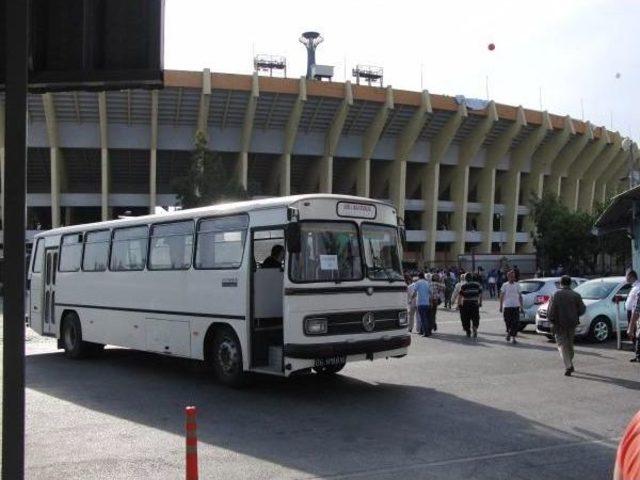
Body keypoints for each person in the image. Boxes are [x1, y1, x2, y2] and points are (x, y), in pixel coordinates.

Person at [546, 275, 586, 376]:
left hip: (559, 323)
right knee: (570, 344)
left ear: (560, 283)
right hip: (572, 323)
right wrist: (574, 314)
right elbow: (582, 309)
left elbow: (550, 310)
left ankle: (568, 366)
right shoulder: (576, 295)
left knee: (562, 345)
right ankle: (570, 363)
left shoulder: (555, 294)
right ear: (570, 283)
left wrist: (551, 320)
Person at [500, 270, 523, 344]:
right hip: (507, 306)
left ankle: (513, 337)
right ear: (508, 277)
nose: (512, 278)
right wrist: (500, 306)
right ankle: (509, 333)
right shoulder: (504, 285)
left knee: (515, 322)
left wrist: (521, 306)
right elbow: (501, 295)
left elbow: (520, 296)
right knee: (508, 322)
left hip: (516, 306)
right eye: (511, 276)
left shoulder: (517, 285)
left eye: (513, 276)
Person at [458, 273, 483, 338]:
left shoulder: (464, 286)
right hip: (475, 303)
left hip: (466, 303)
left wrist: (459, 304)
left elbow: (460, 296)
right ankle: (474, 327)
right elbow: (480, 294)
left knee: (466, 318)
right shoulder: (477, 285)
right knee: (475, 317)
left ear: (465, 279)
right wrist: (480, 302)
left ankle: (468, 331)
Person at [624, 270, 640, 362]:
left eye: (626, 276)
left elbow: (636, 304)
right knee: (633, 333)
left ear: (630, 276)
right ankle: (637, 353)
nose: (625, 278)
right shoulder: (634, 287)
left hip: (635, 313)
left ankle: (638, 354)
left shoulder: (638, 287)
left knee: (635, 332)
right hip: (631, 312)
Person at [414, 272, 432, 337]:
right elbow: (430, 292)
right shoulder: (427, 283)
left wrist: (411, 299)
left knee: (423, 318)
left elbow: (414, 292)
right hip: (426, 303)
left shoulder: (417, 282)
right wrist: (430, 301)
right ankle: (422, 331)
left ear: (418, 277)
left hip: (420, 303)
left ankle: (426, 332)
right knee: (425, 318)